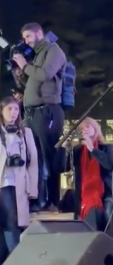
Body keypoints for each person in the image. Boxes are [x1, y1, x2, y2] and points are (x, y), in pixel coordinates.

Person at [12, 22, 66, 211]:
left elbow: (45, 73)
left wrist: (25, 65)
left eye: (28, 36)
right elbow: (31, 79)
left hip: (48, 112)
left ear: (39, 33)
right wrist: (19, 72)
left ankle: (52, 201)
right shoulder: (35, 55)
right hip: (32, 113)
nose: (26, 41)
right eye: (24, 38)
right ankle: (37, 199)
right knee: (34, 158)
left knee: (49, 156)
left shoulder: (54, 51)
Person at [0, 96, 38, 265]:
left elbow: (34, 161)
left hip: (19, 184)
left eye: (16, 109)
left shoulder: (25, 132)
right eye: (9, 109)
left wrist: (33, 189)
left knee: (13, 223)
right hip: (3, 183)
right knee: (9, 222)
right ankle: (17, 263)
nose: (14, 113)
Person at [57, 117, 113, 231]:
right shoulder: (78, 150)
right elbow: (63, 168)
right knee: (91, 209)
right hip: (83, 195)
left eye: (88, 126)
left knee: (96, 209)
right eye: (82, 129)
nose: (85, 130)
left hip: (103, 193)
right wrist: (65, 150)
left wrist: (92, 149)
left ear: (95, 128)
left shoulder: (106, 148)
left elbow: (109, 165)